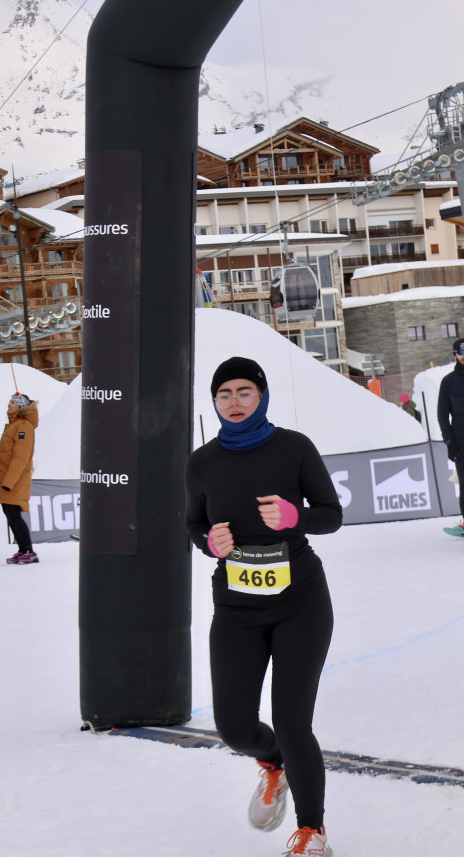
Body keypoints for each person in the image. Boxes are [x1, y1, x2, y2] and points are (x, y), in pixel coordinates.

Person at [185, 357, 342, 857]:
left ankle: (311, 830)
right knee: (232, 726)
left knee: (293, 720)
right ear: (214, 401)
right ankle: (274, 764)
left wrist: (295, 517)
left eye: (244, 392)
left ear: (262, 395)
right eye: (224, 394)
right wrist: (211, 542)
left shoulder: (293, 447)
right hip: (236, 608)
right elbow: (193, 523)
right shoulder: (201, 461)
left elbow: (331, 515)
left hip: (300, 602)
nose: (234, 403)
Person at [0, 392, 39, 565]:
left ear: (21, 406)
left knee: (14, 513)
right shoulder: (15, 424)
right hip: (7, 479)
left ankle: (29, 551)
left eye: (13, 402)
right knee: (9, 513)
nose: (9, 404)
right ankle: (22, 549)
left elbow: (21, 457)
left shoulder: (24, 426)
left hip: (14, 481)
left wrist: (9, 482)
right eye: (9, 401)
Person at [437, 337, 464, 537]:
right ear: (456, 355)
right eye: (461, 353)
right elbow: (442, 414)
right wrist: (449, 441)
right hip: (461, 443)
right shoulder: (448, 382)